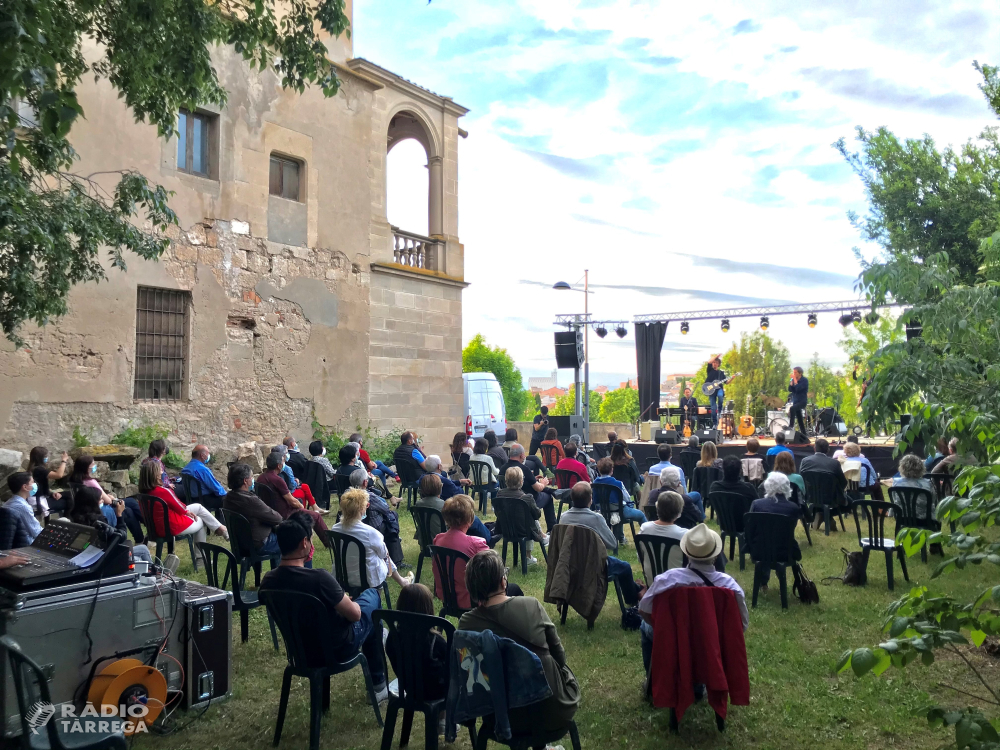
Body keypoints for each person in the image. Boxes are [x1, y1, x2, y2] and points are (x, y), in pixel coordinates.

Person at [260, 514, 388, 703]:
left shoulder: (268, 580)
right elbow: (355, 615)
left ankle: (378, 660)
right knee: (372, 596)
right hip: (336, 648)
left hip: (300, 652)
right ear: (304, 542)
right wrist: (344, 601)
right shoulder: (320, 579)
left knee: (366, 618)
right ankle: (378, 685)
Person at [459, 550, 580, 734]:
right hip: (551, 711)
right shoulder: (531, 606)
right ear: (503, 581)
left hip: (499, 717)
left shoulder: (466, 623)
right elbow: (560, 658)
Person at [638, 524, 749, 676]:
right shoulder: (730, 586)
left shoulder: (667, 579)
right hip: (713, 640)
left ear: (686, 552)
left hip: (674, 636)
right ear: (716, 555)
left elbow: (644, 610)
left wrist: (667, 630)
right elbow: (741, 625)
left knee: (645, 627)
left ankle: (653, 678)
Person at [557, 482, 645, 606]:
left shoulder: (563, 518)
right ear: (590, 499)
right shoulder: (596, 518)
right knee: (624, 567)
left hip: (570, 566)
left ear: (572, 498)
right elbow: (612, 543)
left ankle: (639, 589)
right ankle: (633, 601)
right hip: (594, 566)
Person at [432, 495, 515, 609]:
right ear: (470, 519)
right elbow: (495, 571)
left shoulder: (438, 539)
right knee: (515, 590)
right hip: (474, 598)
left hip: (447, 596)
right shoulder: (476, 544)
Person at [139, 461, 228, 565]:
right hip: (171, 527)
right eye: (160, 471)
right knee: (202, 519)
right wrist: (186, 511)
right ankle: (201, 559)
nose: (162, 472)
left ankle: (221, 529)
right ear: (155, 475)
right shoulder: (163, 491)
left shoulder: (143, 495)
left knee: (198, 507)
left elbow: (180, 508)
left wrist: (186, 511)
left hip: (155, 528)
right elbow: (179, 506)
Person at [332, 488, 413, 592]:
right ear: (361, 509)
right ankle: (402, 582)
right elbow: (384, 555)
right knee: (384, 556)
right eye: (366, 506)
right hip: (368, 580)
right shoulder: (371, 533)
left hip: (341, 576)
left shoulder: (335, 529)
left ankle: (403, 582)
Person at [384, 583, 449, 703]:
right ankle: (442, 719)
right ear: (428, 609)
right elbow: (451, 663)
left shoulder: (393, 638)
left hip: (409, 687)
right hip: (437, 692)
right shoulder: (435, 640)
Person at [256, 452, 331, 547]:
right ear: (279, 465)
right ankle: (330, 542)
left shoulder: (260, 478)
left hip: (271, 511)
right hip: (285, 513)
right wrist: (301, 508)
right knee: (316, 516)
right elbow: (292, 500)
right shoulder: (277, 480)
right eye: (283, 461)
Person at [66, 486, 152, 562]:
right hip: (106, 558)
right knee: (143, 549)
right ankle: (155, 575)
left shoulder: (73, 517)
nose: (103, 501)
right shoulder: (99, 522)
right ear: (93, 503)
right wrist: (119, 515)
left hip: (85, 556)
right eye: (100, 499)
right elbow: (121, 537)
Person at [747, 472, 802, 586]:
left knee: (764, 541)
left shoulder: (757, 504)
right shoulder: (793, 508)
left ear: (767, 486)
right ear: (787, 486)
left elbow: (750, 528)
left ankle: (763, 583)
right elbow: (790, 530)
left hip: (759, 551)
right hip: (785, 551)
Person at [224, 463, 283, 557]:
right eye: (251, 477)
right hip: (259, 544)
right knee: (293, 540)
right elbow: (277, 518)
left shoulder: (228, 497)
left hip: (239, 544)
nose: (253, 479)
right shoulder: (250, 500)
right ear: (245, 481)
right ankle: (301, 571)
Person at [349, 468, 406, 565]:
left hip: (352, 527)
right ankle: (397, 560)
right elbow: (385, 508)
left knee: (390, 518)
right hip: (372, 527)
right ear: (365, 482)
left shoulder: (346, 495)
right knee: (391, 519)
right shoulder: (369, 496)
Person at [495, 466, 547, 563]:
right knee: (531, 520)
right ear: (521, 481)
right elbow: (537, 515)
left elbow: (497, 512)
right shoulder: (527, 497)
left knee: (528, 519)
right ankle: (528, 555)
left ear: (506, 480)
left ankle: (542, 537)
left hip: (505, 529)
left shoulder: (499, 494)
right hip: (524, 530)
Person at [500, 444, 554, 531]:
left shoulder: (503, 469)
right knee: (548, 497)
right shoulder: (524, 469)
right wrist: (543, 483)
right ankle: (551, 529)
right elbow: (538, 488)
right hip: (526, 501)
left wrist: (533, 479)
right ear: (521, 455)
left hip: (508, 501)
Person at [592, 457, 645, 543]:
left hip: (602, 512)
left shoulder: (595, 483)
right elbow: (627, 498)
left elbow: (595, 500)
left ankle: (621, 538)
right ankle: (646, 536)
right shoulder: (618, 483)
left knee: (617, 509)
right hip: (619, 512)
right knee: (640, 515)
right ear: (612, 470)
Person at [637, 491, 687, 578]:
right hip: (678, 585)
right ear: (679, 512)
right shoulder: (684, 534)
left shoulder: (645, 528)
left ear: (657, 507)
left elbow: (640, 558)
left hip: (653, 582)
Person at [70, 455, 118, 525]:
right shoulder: (91, 482)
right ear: (86, 467)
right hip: (96, 507)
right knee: (129, 509)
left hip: (84, 507)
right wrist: (111, 498)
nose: (94, 465)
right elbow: (108, 501)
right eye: (92, 464)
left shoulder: (74, 480)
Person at [26, 446, 69, 518]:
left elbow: (41, 486)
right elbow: (59, 475)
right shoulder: (39, 469)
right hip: (39, 501)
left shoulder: (32, 468)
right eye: (46, 456)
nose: (47, 458)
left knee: (67, 495)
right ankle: (67, 521)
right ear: (40, 458)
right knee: (68, 501)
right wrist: (64, 461)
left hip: (38, 497)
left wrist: (52, 493)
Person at [4, 472, 43, 544]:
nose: (35, 485)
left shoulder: (8, 503)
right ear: (25, 487)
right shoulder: (23, 506)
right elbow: (36, 532)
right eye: (32, 482)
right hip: (28, 543)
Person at [414, 473, 447, 547]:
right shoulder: (444, 505)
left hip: (424, 542)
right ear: (440, 488)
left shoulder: (418, 505)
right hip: (443, 543)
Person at [704, 356, 728, 427]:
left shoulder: (721, 373)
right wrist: (717, 356)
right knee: (713, 408)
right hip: (711, 391)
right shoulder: (710, 370)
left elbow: (726, 382)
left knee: (720, 396)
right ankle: (715, 423)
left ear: (718, 364)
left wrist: (732, 378)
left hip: (719, 389)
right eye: (713, 362)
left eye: (716, 363)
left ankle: (720, 411)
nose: (714, 364)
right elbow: (709, 362)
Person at [787, 366, 809, 435]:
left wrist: (795, 381)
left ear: (800, 373)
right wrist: (791, 382)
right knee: (799, 419)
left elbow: (798, 388)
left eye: (795, 372)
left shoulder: (804, 380)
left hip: (802, 401)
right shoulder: (793, 380)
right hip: (796, 401)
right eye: (793, 372)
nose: (794, 374)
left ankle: (791, 426)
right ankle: (804, 433)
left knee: (792, 409)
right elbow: (790, 390)